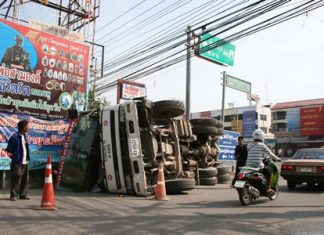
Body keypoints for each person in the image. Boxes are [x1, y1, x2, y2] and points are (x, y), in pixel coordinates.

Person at [245, 129, 281, 194]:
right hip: (258, 165)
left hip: (248, 165)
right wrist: (277, 158)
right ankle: (269, 188)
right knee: (269, 173)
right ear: (262, 136)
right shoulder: (262, 145)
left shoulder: (249, 145)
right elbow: (270, 153)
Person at [6, 120, 30, 201]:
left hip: (25, 161)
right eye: (28, 126)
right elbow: (9, 150)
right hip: (17, 162)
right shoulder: (14, 137)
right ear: (24, 127)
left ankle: (23, 195)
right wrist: (14, 158)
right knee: (17, 177)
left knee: (25, 178)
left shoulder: (25, 136)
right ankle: (14, 195)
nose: (29, 127)